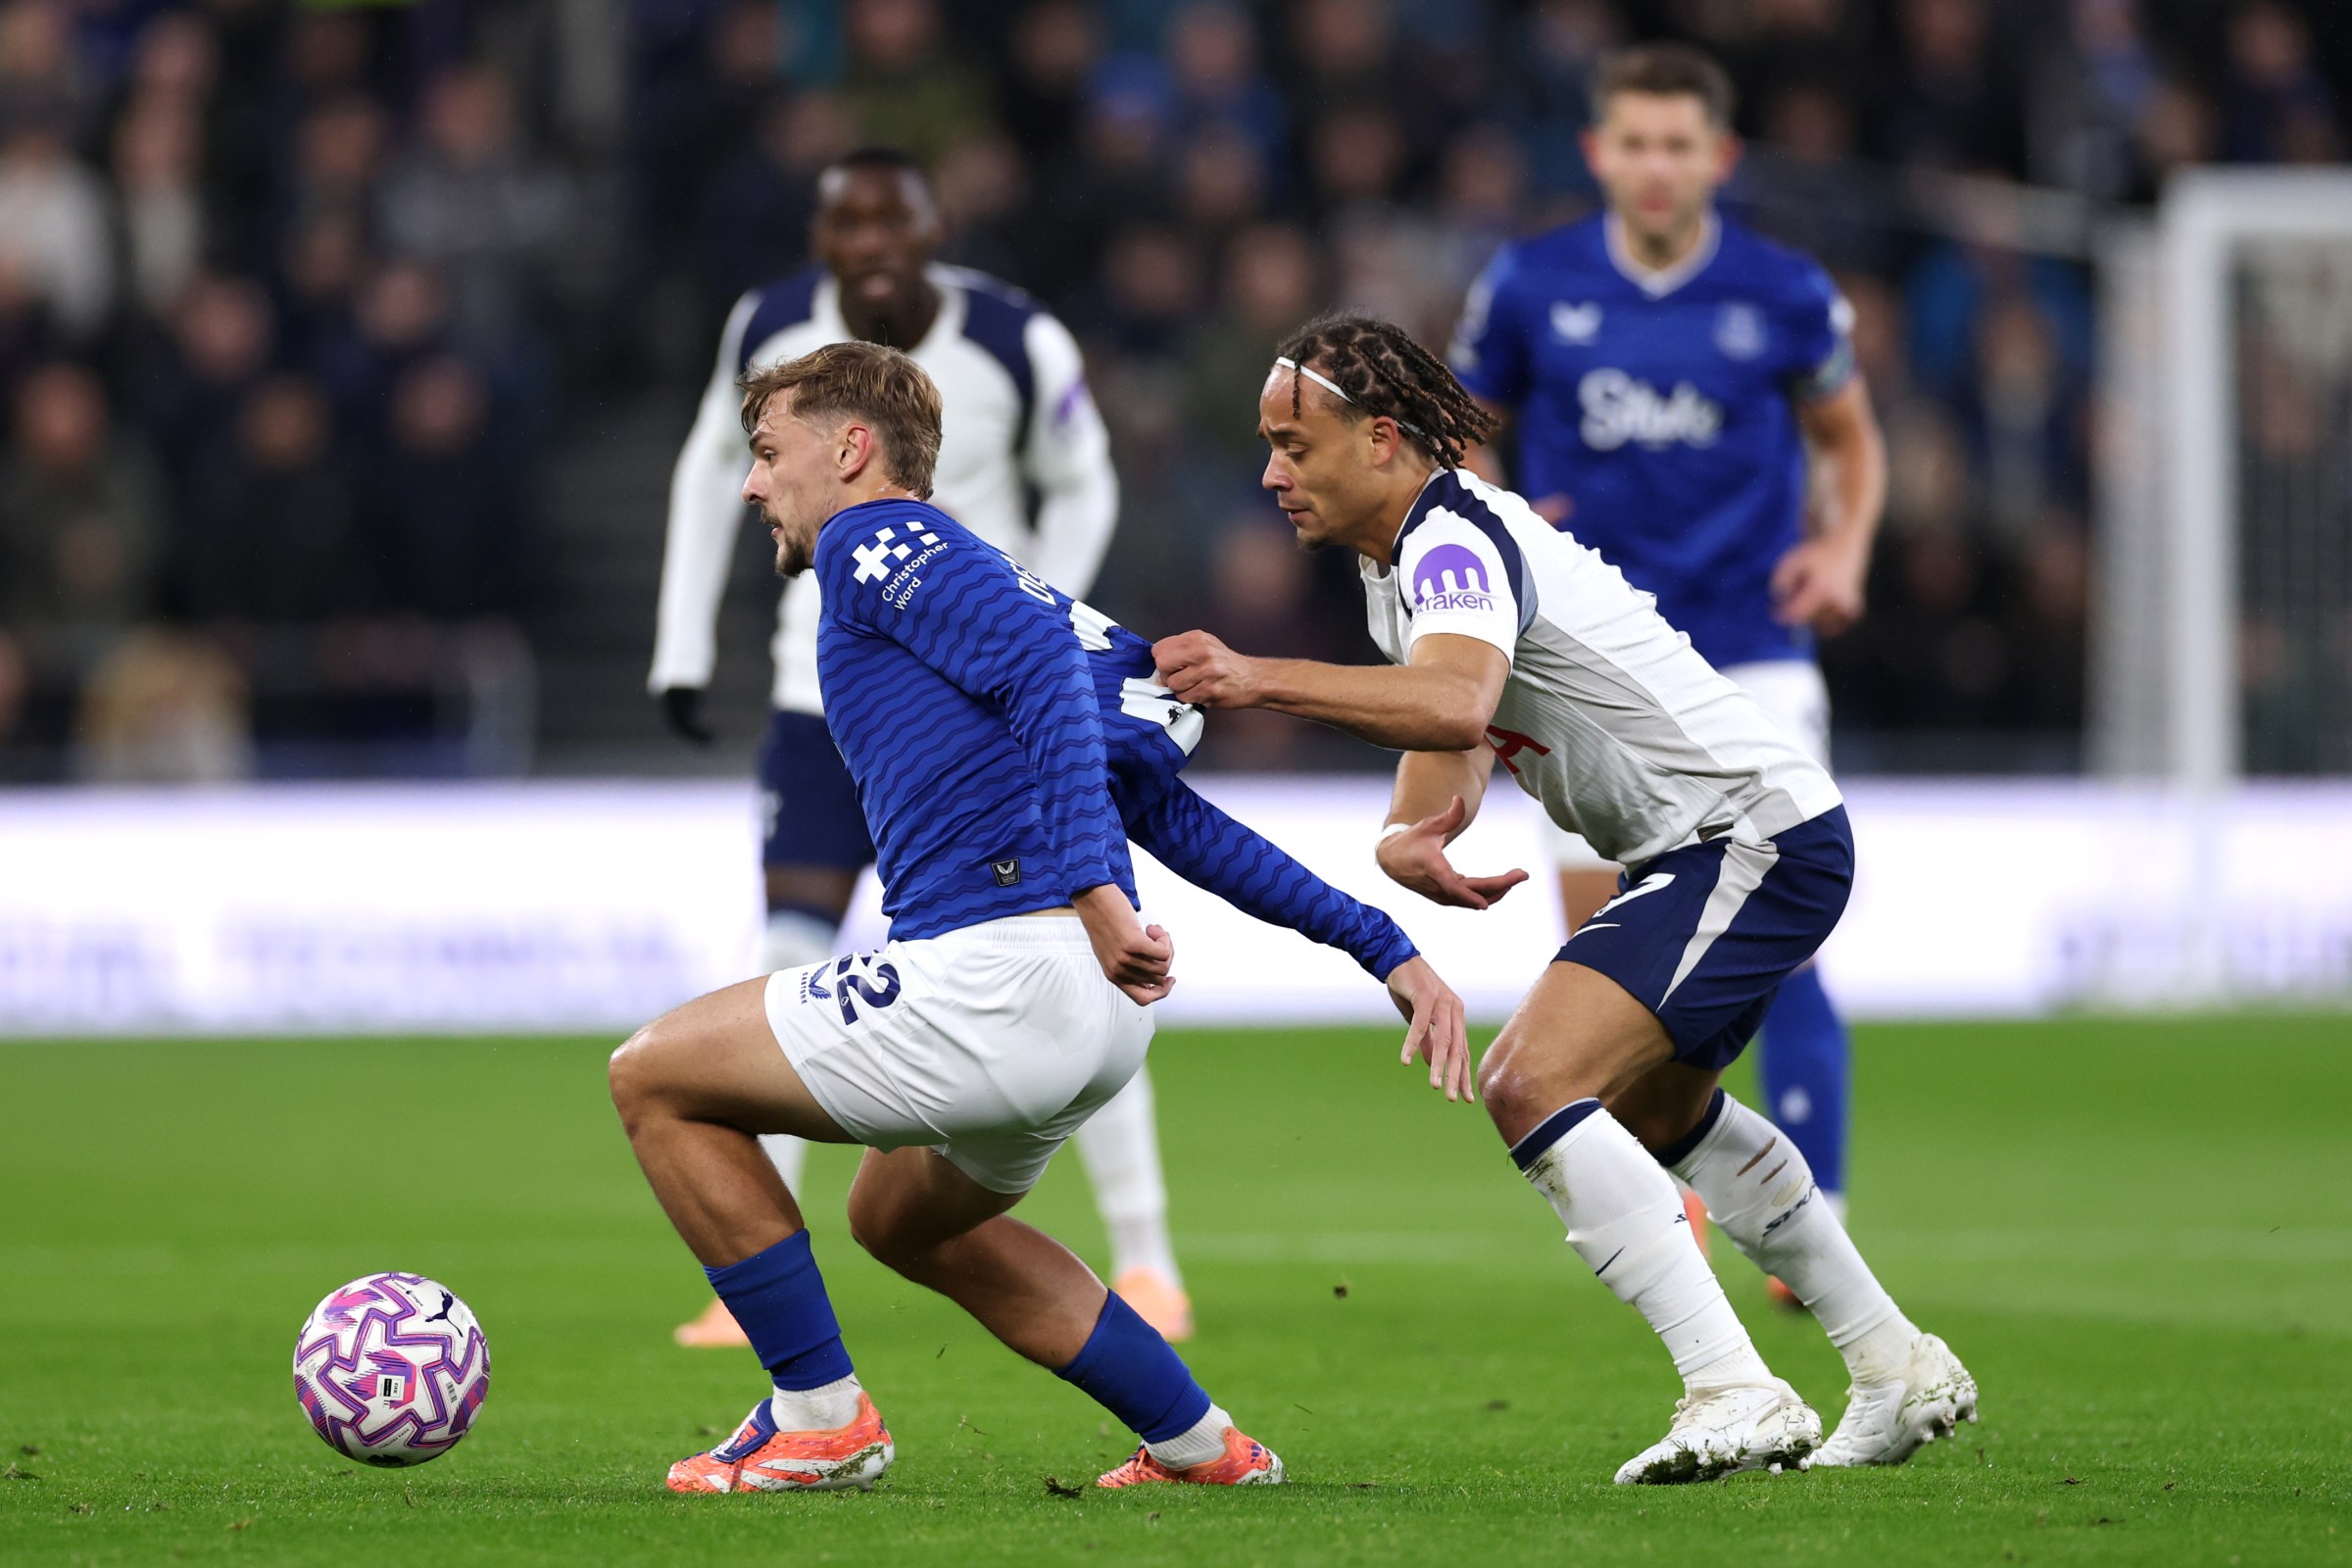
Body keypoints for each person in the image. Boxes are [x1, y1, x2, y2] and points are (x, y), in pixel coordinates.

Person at [614, 340, 1470, 1496]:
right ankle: (1200, 1444)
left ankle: (819, 1417)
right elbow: (1170, 809)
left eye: (769, 453)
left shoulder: (874, 543)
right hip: (1096, 1013)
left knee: (653, 1077)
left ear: (852, 449)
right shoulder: (1018, 597)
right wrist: (1382, 945)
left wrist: (1091, 885)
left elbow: (1039, 675)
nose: (754, 484)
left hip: (1001, 973)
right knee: (902, 1217)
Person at [1152, 317, 1973, 1485]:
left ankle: (1735, 1387)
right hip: (1720, 842)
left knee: (1530, 1080)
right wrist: (1413, 827)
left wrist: (1252, 677)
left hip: (1744, 837)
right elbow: (1462, 728)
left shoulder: (1450, 542)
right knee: (1660, 1110)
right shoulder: (1405, 560)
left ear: (1381, 439)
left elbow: (1451, 698)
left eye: (1294, 445)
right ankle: (1895, 1364)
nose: (1273, 474)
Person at [649, 147, 1196, 1345]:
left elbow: (1084, 480)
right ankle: (750, 1274)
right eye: (850, 224)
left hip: (981, 703)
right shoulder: (771, 329)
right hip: (819, 697)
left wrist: (1053, 620)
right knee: (790, 945)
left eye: (894, 221)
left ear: (933, 228)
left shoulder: (1014, 336)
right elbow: (709, 468)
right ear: (822, 239)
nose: (874, 244)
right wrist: (680, 644)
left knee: (1081, 945)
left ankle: (1150, 1258)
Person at [1448, 45, 1887, 1267]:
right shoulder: (1531, 284)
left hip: (1750, 645)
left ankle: (1818, 1214)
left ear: (1719, 158)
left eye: (1678, 145)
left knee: (1778, 933)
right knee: (1607, 952)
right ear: (1597, 152)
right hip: (1586, 658)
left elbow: (1851, 436)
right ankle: (1672, 1210)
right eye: (1634, 143)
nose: (1655, 167)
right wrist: (1499, 519)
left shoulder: (1782, 290)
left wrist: (1844, 547)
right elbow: (1462, 434)